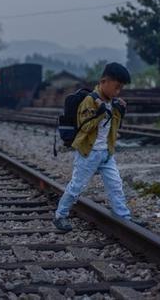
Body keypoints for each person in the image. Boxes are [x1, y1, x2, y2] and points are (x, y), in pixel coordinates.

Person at [53, 62, 138, 232]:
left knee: (116, 185)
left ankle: (124, 217)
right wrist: (99, 114)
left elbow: (114, 127)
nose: (118, 91)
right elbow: (84, 127)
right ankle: (60, 215)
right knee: (76, 186)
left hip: (106, 153)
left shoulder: (112, 102)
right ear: (104, 81)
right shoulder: (89, 101)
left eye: (120, 88)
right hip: (88, 153)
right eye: (116, 87)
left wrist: (120, 111)